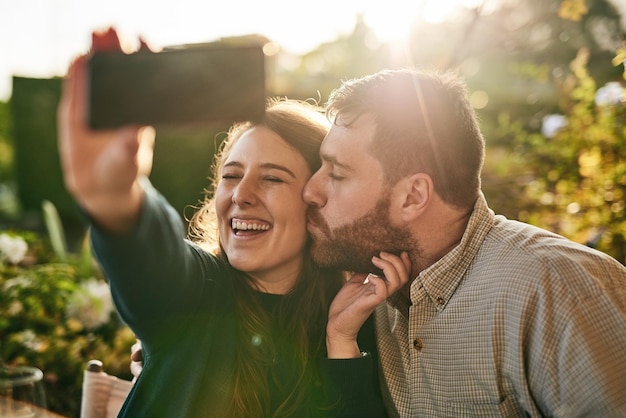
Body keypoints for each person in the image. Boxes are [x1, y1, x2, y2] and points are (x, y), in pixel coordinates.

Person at [57, 28, 408, 418]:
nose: (242, 194)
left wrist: (341, 342)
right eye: (231, 175)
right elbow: (149, 254)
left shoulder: (360, 319)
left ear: (318, 201)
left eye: (272, 178)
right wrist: (116, 196)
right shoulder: (192, 294)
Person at [302, 68, 626, 417]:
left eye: (336, 173)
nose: (310, 190)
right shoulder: (372, 299)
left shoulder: (559, 291)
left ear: (412, 196)